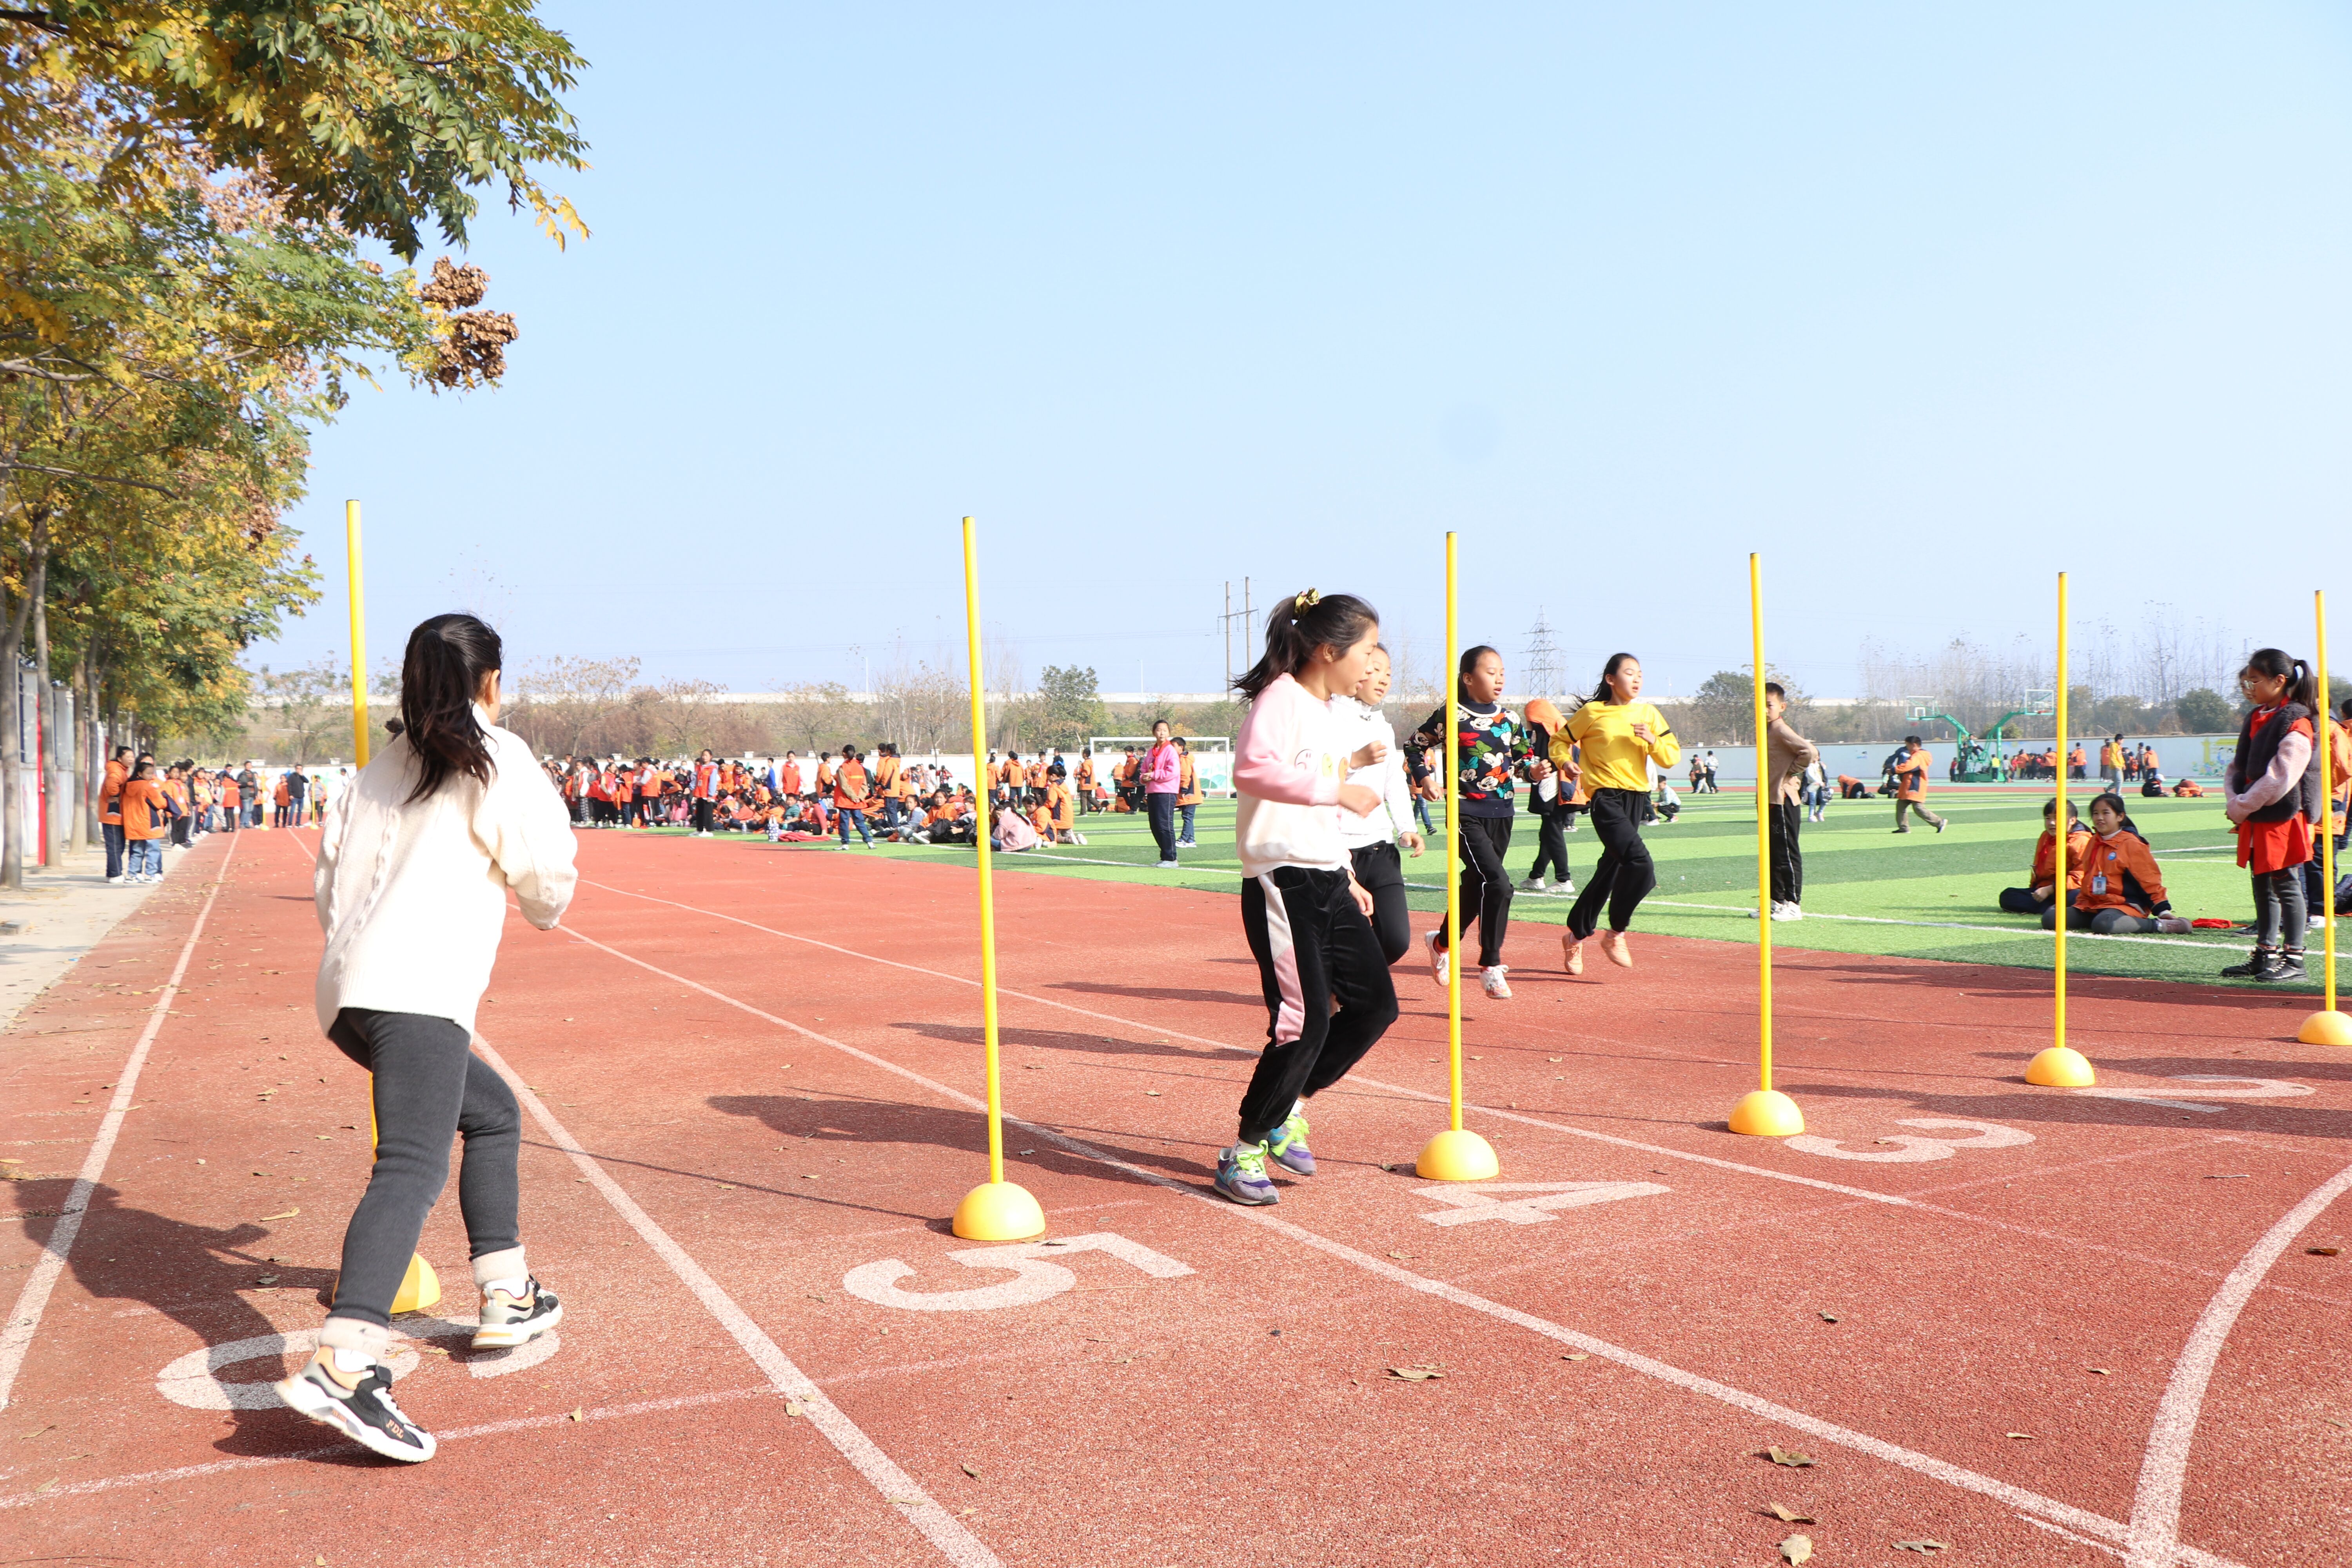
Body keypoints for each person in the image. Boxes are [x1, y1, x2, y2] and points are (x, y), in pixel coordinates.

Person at [276, 613, 577, 1464]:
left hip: (351, 992)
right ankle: (345, 1362)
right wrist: (545, 906)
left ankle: (507, 1289)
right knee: (410, 1166)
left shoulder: (377, 767)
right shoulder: (495, 754)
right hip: (415, 990)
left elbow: (328, 884)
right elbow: (546, 873)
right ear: (491, 680)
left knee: (492, 1113)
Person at [1220, 588, 1395, 1206]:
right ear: (1327, 651)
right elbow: (1250, 770)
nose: (1373, 664)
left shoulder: (1327, 713)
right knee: (1304, 1021)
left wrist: (1347, 871)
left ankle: (1287, 1107)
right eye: (1367, 651)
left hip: (1328, 877)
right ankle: (1244, 1151)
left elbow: (1314, 794)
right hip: (1283, 879)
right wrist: (1338, 789)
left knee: (1375, 1007)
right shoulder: (1281, 697)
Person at [1415, 645, 1539, 1000]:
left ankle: (1440, 943)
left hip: (1503, 813)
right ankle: (1490, 965)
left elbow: (1523, 761)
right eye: (1491, 672)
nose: (1499, 679)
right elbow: (1415, 745)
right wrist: (1425, 778)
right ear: (1468, 678)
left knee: (1475, 886)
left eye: (1502, 672)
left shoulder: (1510, 719)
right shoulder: (1452, 715)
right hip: (1466, 813)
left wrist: (1534, 771)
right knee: (1499, 885)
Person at [1559, 653, 1679, 974]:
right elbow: (1560, 741)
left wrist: (1652, 741)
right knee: (1641, 864)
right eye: (1629, 673)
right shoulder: (1592, 713)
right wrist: (1565, 762)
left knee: (1611, 869)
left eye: (1640, 673)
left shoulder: (1649, 714)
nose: (1637, 679)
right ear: (1611, 680)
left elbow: (1671, 757)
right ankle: (1616, 933)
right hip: (1605, 799)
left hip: (1637, 799)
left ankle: (1575, 936)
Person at [2221, 648, 2323, 982]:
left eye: (2254, 681)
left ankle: (2295, 959)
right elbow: (2237, 766)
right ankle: (2265, 953)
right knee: (2261, 884)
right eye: (2246, 682)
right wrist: (2235, 800)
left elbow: (2281, 777)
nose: (2248, 688)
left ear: (2279, 681)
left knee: (2286, 885)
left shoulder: (2297, 720)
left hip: (2280, 816)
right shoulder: (2257, 716)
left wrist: (2242, 805)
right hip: (2255, 812)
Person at [1338, 644, 1424, 963]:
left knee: (1395, 940)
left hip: (1380, 847)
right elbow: (1318, 777)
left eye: (1388, 673)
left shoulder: (1382, 726)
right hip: (1340, 849)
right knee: (1341, 938)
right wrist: (1355, 761)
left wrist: (1407, 828)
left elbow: (1394, 781)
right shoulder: (1330, 718)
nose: (1384, 679)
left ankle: (1349, 981)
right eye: (1374, 670)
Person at [2058, 793, 2191, 934]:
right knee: (2053, 918)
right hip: (2095, 904)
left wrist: (2162, 910)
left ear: (2120, 817)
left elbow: (2148, 880)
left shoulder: (2131, 844)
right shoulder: (2093, 842)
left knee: (2105, 923)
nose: (2100, 818)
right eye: (2096, 813)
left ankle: (2160, 926)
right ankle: (2101, 920)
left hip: (2124, 904)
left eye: (2106, 813)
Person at [1763, 683, 1817, 920]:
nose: (1764, 710)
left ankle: (1794, 903)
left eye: (1769, 705)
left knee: (1786, 852)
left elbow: (1808, 752)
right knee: (1773, 853)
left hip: (1783, 799)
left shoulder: (1780, 729)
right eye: (1759, 705)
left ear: (1782, 707)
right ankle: (1776, 901)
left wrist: (1790, 773)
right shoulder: (1766, 730)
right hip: (1770, 800)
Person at [1519, 697, 1575, 896]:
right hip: (1563, 786)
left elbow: (1531, 753)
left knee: (1553, 831)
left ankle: (1564, 878)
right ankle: (1536, 876)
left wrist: (1528, 731)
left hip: (1552, 788)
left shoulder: (1549, 736)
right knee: (1548, 833)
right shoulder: (1561, 729)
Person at [2000, 799, 2090, 917]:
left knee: (2075, 896)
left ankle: (2053, 908)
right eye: (2048, 818)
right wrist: (2036, 889)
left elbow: (2080, 877)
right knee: (2008, 895)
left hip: (2067, 890)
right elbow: (2038, 868)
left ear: (2073, 820)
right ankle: (2052, 907)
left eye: (2057, 818)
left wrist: (2051, 889)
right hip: (2046, 890)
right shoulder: (2046, 836)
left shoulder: (2082, 841)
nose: (2052, 823)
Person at [1142, 720, 1182, 868]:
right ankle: (1165, 856)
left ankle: (1171, 858)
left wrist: (1154, 775)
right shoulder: (1151, 752)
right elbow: (1144, 769)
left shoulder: (1170, 750)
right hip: (1153, 791)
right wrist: (1144, 777)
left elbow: (1173, 772)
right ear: (1154, 732)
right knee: (1155, 825)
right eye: (1159, 730)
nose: (1162, 733)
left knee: (1165, 825)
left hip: (1166, 792)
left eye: (1165, 730)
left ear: (1169, 733)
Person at [119, 761, 168, 883]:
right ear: (140, 774)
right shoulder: (147, 787)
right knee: (153, 850)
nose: (151, 776)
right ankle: (150, 875)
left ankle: (132, 874)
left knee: (137, 851)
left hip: (134, 824)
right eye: (149, 773)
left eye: (152, 773)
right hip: (149, 823)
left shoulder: (128, 786)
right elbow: (161, 803)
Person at [1890, 736, 1947, 834]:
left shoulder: (1918, 756)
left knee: (1918, 808)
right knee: (1901, 805)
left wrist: (1894, 770)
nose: (1907, 748)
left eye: (1908, 745)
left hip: (1914, 786)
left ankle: (1939, 823)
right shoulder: (1921, 755)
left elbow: (1908, 766)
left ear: (1914, 745)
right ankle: (1904, 828)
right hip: (1911, 785)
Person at [98, 744, 132, 882]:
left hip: (116, 814)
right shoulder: (116, 770)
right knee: (115, 845)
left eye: (132, 757)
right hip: (112, 813)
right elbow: (112, 785)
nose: (131, 759)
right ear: (119, 758)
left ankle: (112, 873)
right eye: (128, 757)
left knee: (118, 845)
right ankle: (115, 874)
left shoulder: (121, 770)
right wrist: (116, 796)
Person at [833, 746, 876, 846]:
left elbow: (844, 786)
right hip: (857, 801)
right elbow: (865, 785)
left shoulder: (843, 768)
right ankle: (869, 841)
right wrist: (859, 797)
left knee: (844, 822)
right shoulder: (860, 767)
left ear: (844, 754)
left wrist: (853, 797)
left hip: (845, 800)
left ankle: (845, 844)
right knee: (860, 822)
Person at [1174, 739, 1204, 849]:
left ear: (1181, 747)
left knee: (1188, 817)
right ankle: (1191, 840)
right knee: (1188, 817)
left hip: (1189, 793)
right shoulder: (1185, 758)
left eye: (1174, 746)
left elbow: (1185, 775)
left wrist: (1184, 789)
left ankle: (1183, 839)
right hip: (1191, 793)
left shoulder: (1184, 759)